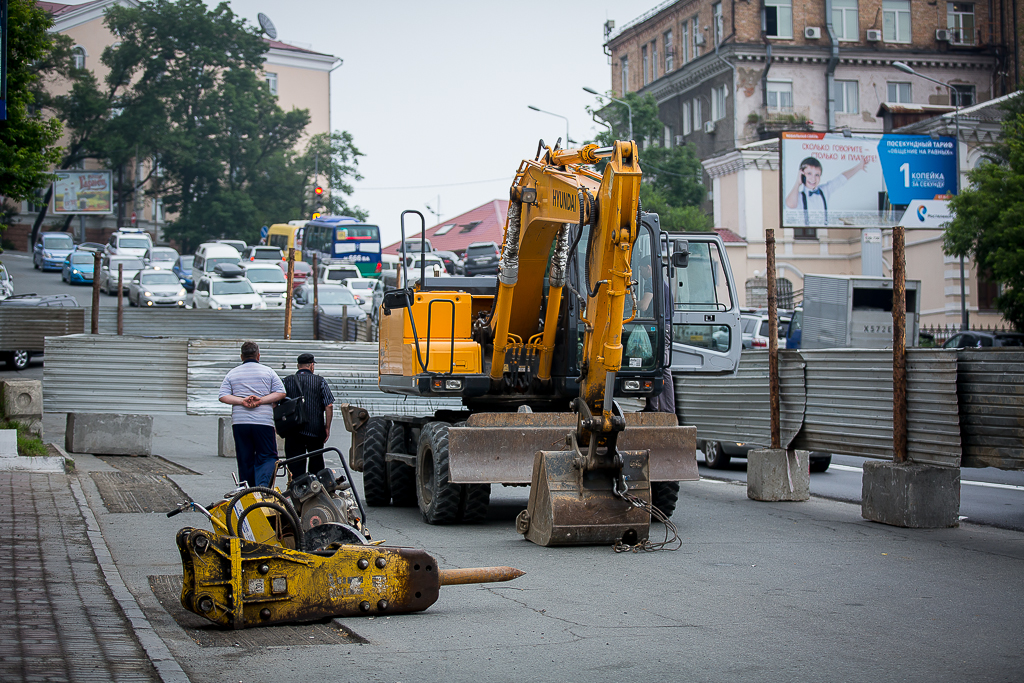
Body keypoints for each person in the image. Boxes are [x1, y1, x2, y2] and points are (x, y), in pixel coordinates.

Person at [218, 341, 286, 487]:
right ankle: (262, 487)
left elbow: (222, 396)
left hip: (240, 423)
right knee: (268, 456)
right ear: (258, 355)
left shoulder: (233, 373)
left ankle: (247, 492)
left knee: (245, 458)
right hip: (263, 422)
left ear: (242, 356)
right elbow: (281, 392)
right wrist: (261, 400)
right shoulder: (268, 371)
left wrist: (242, 401)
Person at [282, 353, 335, 478]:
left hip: (293, 430)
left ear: (297, 366)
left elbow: (277, 402)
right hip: (315, 429)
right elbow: (329, 406)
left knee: (295, 465)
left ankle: (297, 490)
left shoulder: (286, 381)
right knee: (316, 463)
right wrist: (327, 427)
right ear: (312, 366)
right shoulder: (320, 381)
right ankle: (315, 489)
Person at [784, 156, 871, 225]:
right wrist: (798, 182)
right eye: (809, 173)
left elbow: (841, 179)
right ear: (802, 174)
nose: (813, 178)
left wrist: (859, 167)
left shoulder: (824, 190)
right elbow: (790, 204)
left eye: (817, 175)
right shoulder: (798, 196)